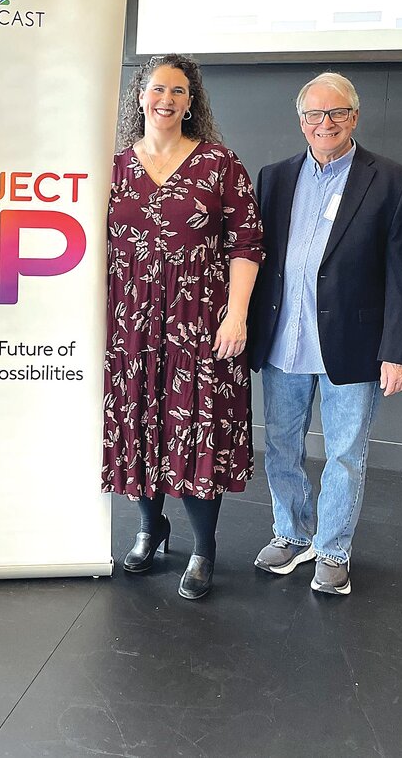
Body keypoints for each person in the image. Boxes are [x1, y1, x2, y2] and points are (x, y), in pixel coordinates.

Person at [248, 72, 402, 595]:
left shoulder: (392, 180)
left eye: (337, 113)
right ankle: (291, 534)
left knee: (345, 453)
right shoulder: (274, 177)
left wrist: (397, 351)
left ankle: (332, 548)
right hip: (284, 340)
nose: (325, 124)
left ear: (355, 117)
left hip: (354, 345)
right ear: (301, 121)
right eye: (314, 115)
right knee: (280, 448)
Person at [102, 54, 264, 599]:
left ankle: (203, 549)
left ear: (192, 101)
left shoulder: (221, 164)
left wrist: (236, 313)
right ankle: (151, 530)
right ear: (140, 98)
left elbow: (247, 243)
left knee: (197, 429)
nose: (165, 99)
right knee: (141, 429)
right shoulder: (115, 166)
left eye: (177, 90)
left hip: (201, 323)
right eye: (156, 89)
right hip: (132, 325)